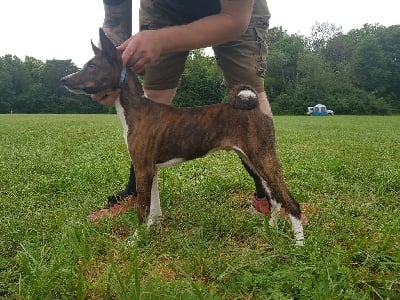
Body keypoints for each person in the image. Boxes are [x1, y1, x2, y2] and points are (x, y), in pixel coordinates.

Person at [88, 0, 273, 220]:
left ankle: (270, 197)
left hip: (234, 12)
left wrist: (161, 40)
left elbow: (234, 20)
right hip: (164, 9)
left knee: (251, 101)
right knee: (152, 100)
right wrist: (109, 65)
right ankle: (138, 192)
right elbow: (116, 11)